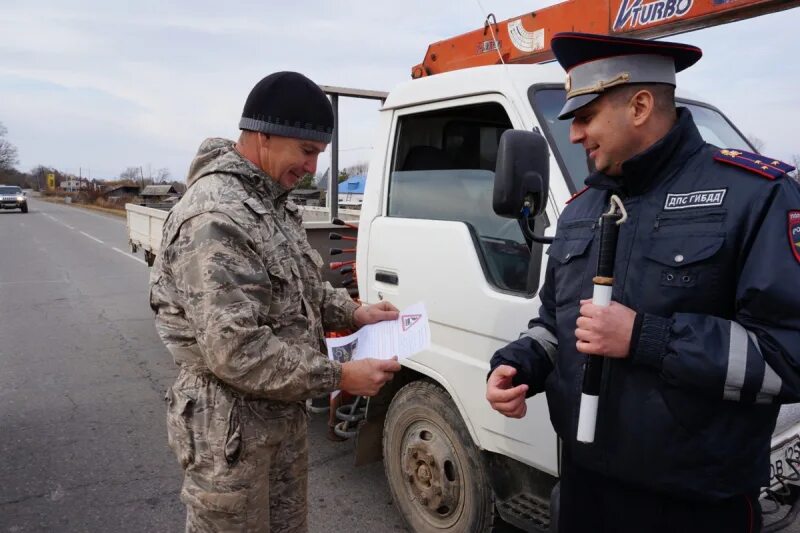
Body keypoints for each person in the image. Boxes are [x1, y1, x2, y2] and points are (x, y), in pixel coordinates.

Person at [486, 32, 800, 533]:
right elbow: (556, 323)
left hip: (693, 506)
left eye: (585, 117)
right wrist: (518, 364)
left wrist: (645, 337)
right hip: (585, 489)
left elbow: (786, 355)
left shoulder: (758, 196)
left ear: (639, 105)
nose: (573, 135)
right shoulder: (580, 209)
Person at [149, 71, 402, 533]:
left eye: (318, 155)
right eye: (307, 152)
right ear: (263, 136)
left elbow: (300, 285)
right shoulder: (216, 217)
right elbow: (236, 351)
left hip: (281, 411)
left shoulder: (269, 201)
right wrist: (341, 375)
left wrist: (354, 311)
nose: (312, 167)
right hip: (229, 428)